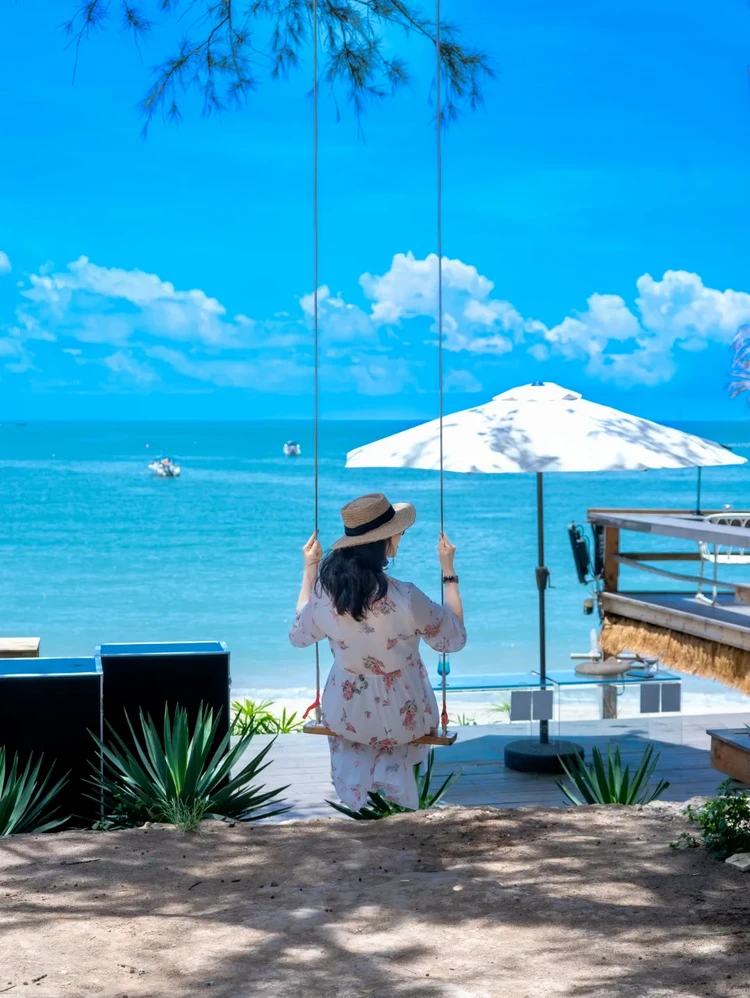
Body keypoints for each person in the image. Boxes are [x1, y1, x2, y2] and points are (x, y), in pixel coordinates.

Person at [289, 492, 466, 811]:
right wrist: (448, 572)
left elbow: (298, 635)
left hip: (346, 716)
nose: (400, 536)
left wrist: (310, 570)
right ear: (383, 542)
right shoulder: (406, 596)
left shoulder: (325, 596)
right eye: (398, 532)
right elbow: (453, 639)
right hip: (404, 717)